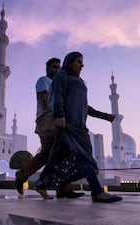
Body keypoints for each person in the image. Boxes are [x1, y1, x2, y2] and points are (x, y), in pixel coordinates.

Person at [34, 51, 122, 203]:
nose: (82, 65)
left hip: (79, 127)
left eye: (82, 62)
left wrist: (104, 116)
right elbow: (56, 97)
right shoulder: (62, 76)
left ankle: (42, 183)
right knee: (84, 158)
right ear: (69, 63)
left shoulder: (78, 80)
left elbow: (84, 106)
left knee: (78, 160)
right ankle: (97, 191)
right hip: (68, 126)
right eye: (79, 62)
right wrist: (59, 115)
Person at [15, 57, 84, 198]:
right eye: (54, 67)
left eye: (59, 67)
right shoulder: (43, 81)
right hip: (47, 119)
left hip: (59, 120)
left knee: (59, 154)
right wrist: (55, 114)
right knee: (49, 153)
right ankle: (25, 177)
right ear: (47, 69)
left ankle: (63, 189)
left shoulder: (59, 84)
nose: (57, 70)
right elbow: (44, 100)